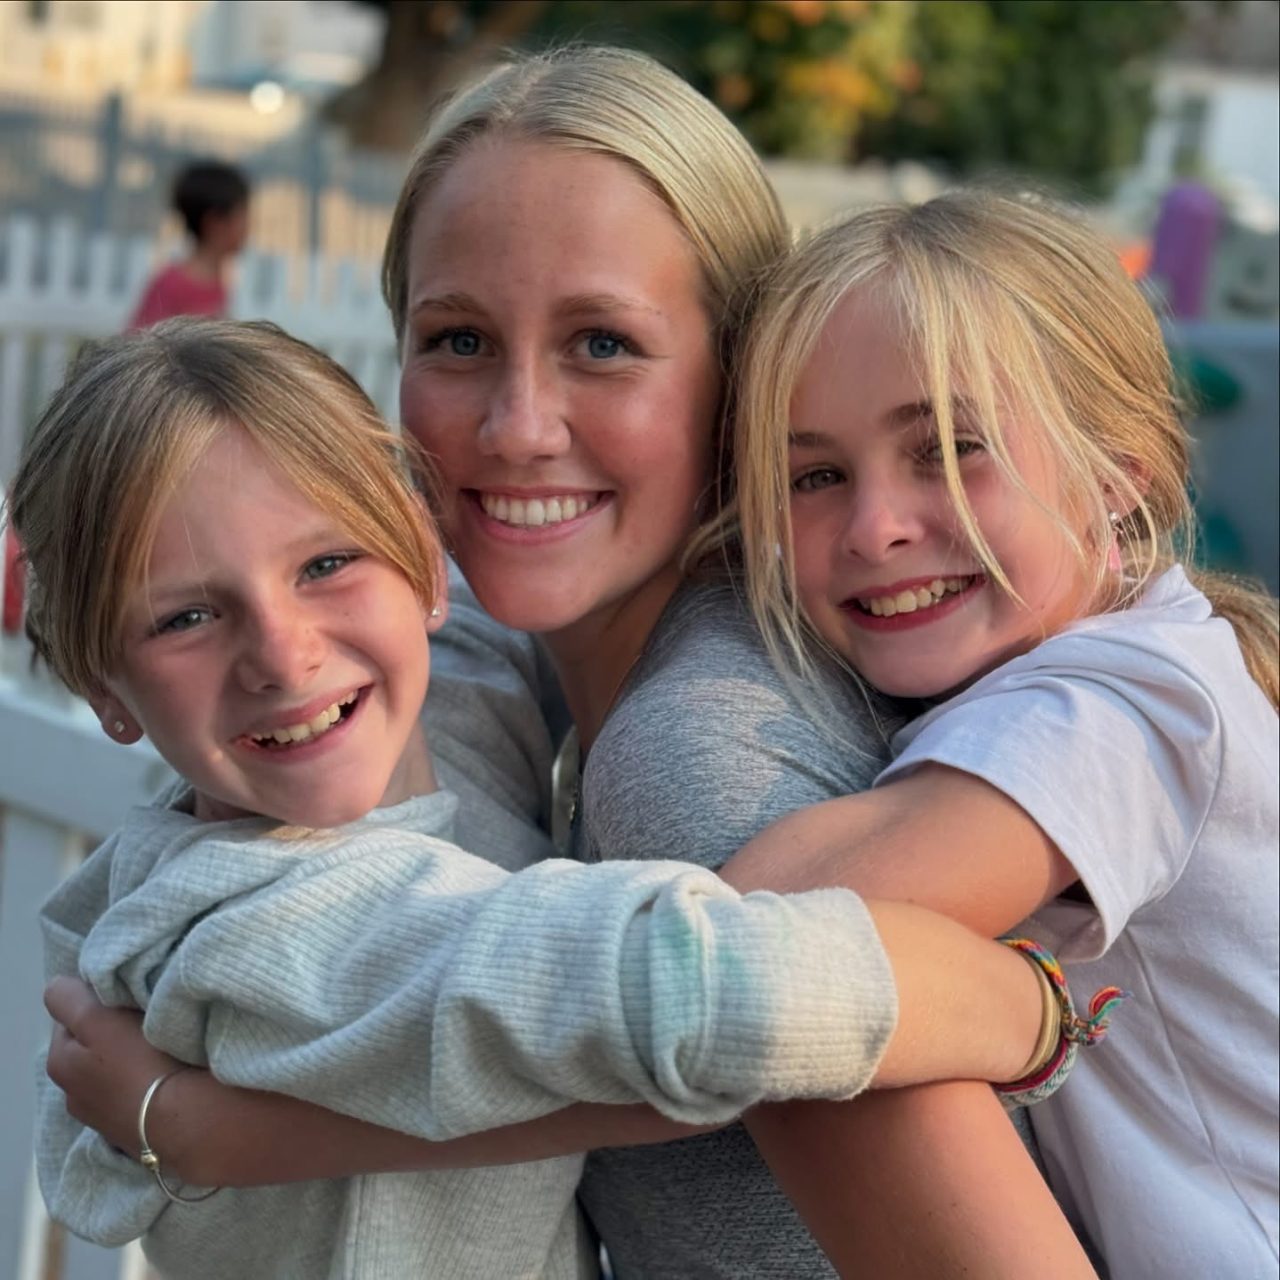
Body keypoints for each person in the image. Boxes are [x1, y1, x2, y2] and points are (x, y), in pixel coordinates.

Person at [41, 48, 1103, 1279]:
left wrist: (1028, 1010)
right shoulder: (489, 678)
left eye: (601, 342)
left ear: (740, 374)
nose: (516, 427)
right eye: (457, 339)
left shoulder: (688, 756)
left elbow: (715, 1007)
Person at [714, 192, 1279, 1277]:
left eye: (945, 450)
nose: (874, 526)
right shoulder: (1166, 654)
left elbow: (757, 939)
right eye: (814, 475)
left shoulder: (1117, 708)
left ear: (1115, 479)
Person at [128, 160, 250, 329]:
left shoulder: (219, 281)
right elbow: (140, 339)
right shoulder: (172, 285)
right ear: (215, 223)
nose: (247, 227)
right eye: (242, 216)